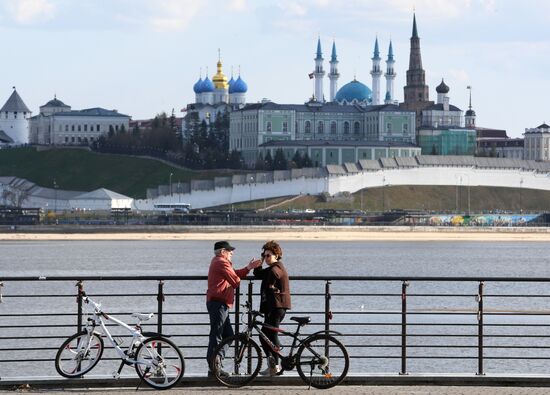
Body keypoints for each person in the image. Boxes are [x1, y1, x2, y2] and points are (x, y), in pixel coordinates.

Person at [206, 240, 261, 376]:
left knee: (228, 335)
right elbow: (235, 281)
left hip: (220, 303)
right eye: (230, 251)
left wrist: (248, 268)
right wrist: (238, 277)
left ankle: (216, 362)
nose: (232, 253)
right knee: (217, 335)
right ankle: (214, 366)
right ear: (223, 252)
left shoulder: (218, 261)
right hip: (218, 303)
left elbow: (233, 274)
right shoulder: (221, 262)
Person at [253, 240, 291, 376]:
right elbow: (258, 274)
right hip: (274, 306)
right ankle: (273, 365)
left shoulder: (277, 268)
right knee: (265, 335)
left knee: (269, 335)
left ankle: (275, 365)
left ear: (276, 255)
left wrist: (271, 287)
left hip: (277, 306)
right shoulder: (272, 267)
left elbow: (276, 274)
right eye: (265, 255)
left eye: (269, 255)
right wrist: (260, 262)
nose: (266, 257)